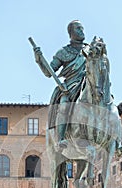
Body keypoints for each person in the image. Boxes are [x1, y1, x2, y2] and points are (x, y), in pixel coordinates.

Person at [33, 20, 89, 148]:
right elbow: (49, 72)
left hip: (90, 83)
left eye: (82, 28)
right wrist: (39, 60)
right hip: (70, 87)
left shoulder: (90, 49)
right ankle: (61, 139)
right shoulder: (63, 52)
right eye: (78, 29)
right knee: (64, 106)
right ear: (71, 33)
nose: (82, 32)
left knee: (108, 101)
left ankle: (116, 140)